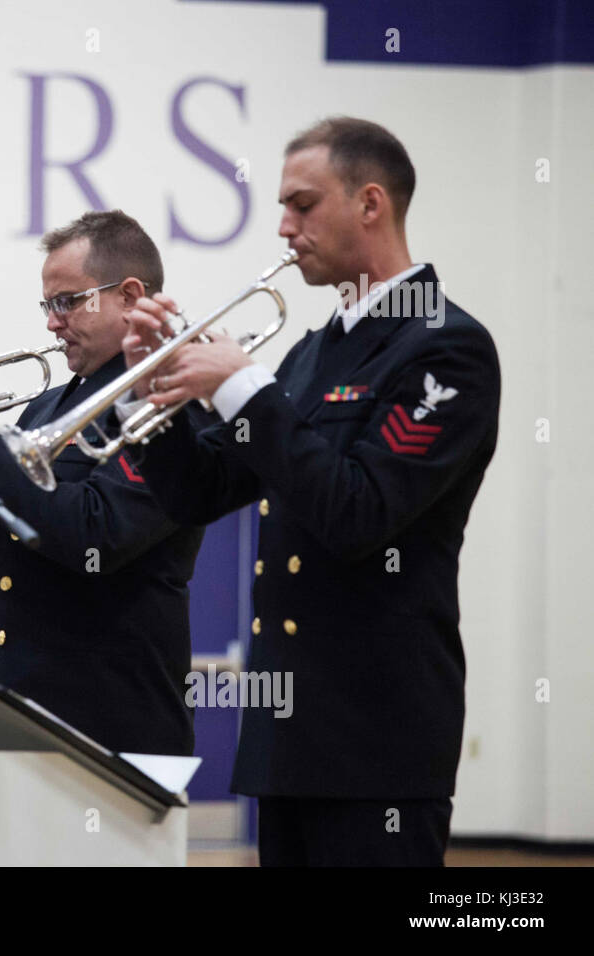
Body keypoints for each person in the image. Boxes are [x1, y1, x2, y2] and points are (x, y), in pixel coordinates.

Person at [124, 117, 501, 865]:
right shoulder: (310, 354)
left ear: (370, 203)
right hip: (290, 743)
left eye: (303, 205)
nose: (283, 227)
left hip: (377, 740)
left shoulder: (446, 348)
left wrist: (242, 387)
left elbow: (359, 513)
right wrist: (152, 395)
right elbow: (201, 492)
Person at [0, 210, 205, 756]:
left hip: (105, 730)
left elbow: (97, 535)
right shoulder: (47, 407)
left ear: (130, 296)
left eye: (67, 302)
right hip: (8, 714)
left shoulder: (172, 404)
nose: (51, 323)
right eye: (48, 305)